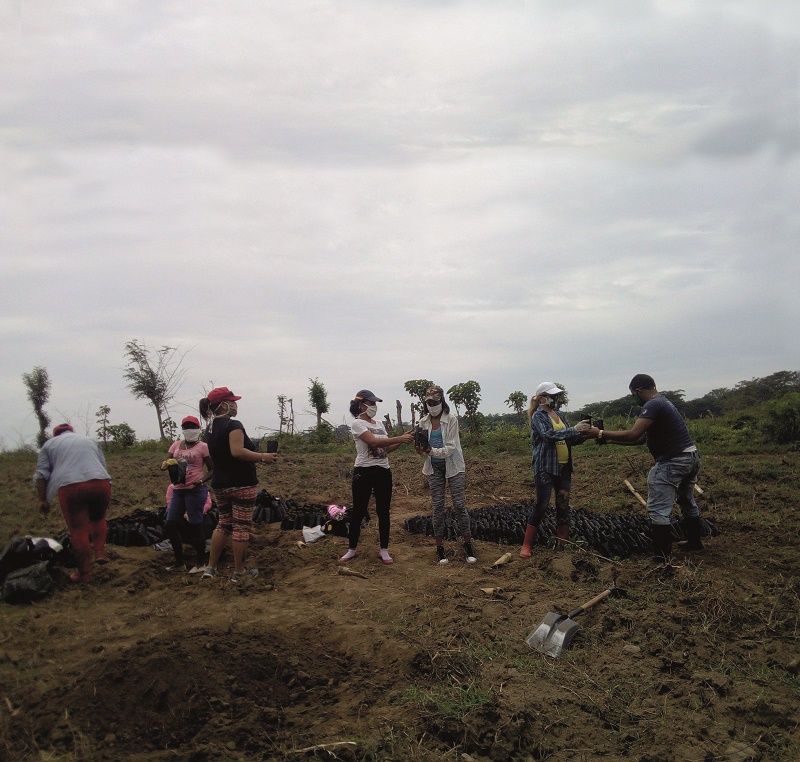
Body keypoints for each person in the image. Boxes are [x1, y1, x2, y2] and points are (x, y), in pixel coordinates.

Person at [583, 374, 703, 562]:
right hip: (690, 457)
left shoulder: (652, 405)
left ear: (638, 391)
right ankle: (695, 542)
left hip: (672, 461)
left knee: (657, 509)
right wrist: (609, 440)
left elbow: (633, 433)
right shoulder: (664, 402)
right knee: (687, 500)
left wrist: (598, 432)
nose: (634, 399)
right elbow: (640, 440)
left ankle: (661, 557)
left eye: (633, 395)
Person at [199, 387, 277, 582]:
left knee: (223, 524)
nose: (235, 405)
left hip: (220, 484)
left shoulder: (209, 429)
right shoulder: (233, 425)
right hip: (241, 483)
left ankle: (210, 568)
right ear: (223, 404)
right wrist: (262, 457)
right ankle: (239, 572)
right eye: (232, 401)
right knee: (241, 527)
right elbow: (237, 451)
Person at [340, 390, 414, 565]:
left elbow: (384, 449)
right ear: (361, 405)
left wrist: (404, 440)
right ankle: (351, 549)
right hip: (363, 471)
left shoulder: (379, 423)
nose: (374, 406)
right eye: (371, 403)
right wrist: (399, 437)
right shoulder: (357, 424)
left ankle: (384, 550)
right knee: (358, 511)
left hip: (383, 471)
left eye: (375, 403)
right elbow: (373, 442)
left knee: (383, 511)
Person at [33, 423, 112, 584]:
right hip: (100, 482)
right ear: (71, 432)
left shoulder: (49, 445)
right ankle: (99, 553)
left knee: (78, 530)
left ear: (56, 435)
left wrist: (43, 500)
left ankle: (84, 574)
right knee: (99, 518)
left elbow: (41, 474)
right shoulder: (89, 440)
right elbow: (102, 466)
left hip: (71, 486)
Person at [520, 382, 589, 558]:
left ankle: (562, 543)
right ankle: (526, 545)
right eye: (552, 395)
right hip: (545, 467)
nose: (556, 398)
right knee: (542, 505)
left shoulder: (559, 414)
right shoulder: (538, 416)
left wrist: (585, 434)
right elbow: (549, 435)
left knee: (563, 504)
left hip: (564, 466)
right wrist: (573, 430)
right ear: (542, 398)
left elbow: (569, 438)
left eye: (557, 395)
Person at [415, 385, 476, 565]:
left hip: (453, 466)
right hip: (434, 468)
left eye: (435, 402)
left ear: (442, 401)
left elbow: (450, 448)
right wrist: (420, 450)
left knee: (459, 505)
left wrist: (430, 450)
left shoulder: (451, 420)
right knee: (438, 507)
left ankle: (468, 544)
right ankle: (439, 548)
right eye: (429, 403)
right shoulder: (422, 422)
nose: (432, 405)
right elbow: (422, 450)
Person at [163, 415, 214, 574]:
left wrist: (201, 481)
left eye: (192, 426)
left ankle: (200, 563)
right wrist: (167, 464)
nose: (189, 430)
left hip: (195, 490)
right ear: (182, 429)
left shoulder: (203, 447)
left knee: (195, 524)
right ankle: (179, 562)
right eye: (186, 427)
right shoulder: (176, 445)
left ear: (198, 429)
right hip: (178, 490)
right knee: (170, 524)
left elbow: (212, 469)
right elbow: (166, 462)